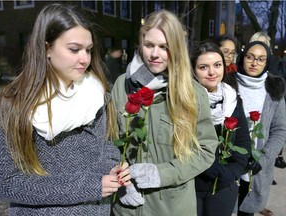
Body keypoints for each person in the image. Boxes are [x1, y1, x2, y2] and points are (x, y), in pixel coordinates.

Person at [0, 3, 131, 215]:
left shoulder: (97, 95)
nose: (85, 58)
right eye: (74, 49)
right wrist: (89, 187)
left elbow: (106, 146)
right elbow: (6, 183)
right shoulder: (13, 105)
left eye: (88, 50)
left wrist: (112, 168)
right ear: (46, 48)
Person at [111, 10, 218, 216]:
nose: (154, 54)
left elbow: (205, 151)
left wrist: (162, 174)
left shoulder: (192, 93)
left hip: (171, 207)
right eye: (149, 45)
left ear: (176, 49)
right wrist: (120, 180)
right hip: (127, 207)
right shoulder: (121, 84)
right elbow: (109, 141)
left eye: (164, 47)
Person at [190, 42, 251, 216]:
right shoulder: (185, 101)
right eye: (203, 67)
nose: (212, 72)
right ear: (193, 70)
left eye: (217, 65)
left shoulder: (232, 98)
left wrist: (231, 173)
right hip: (191, 184)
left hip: (224, 184)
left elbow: (243, 140)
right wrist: (212, 169)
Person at [235, 41, 286, 216]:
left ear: (267, 62)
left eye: (261, 59)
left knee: (247, 211)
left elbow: (279, 130)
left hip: (257, 168)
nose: (254, 63)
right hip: (230, 165)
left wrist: (262, 159)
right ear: (242, 58)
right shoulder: (228, 83)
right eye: (250, 57)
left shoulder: (274, 89)